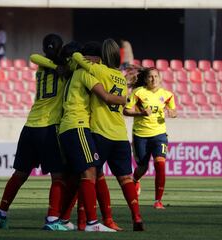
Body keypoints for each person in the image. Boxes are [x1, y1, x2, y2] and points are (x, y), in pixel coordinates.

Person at [0, 33, 69, 231]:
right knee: (58, 176)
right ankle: (52, 220)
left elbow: (34, 57)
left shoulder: (41, 68)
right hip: (48, 127)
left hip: (29, 127)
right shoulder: (64, 70)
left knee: (19, 174)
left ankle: (1, 213)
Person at [73, 38, 144, 231]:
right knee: (126, 179)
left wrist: (84, 56)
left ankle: (83, 220)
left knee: (89, 176)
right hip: (121, 135)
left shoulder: (99, 71)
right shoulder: (120, 77)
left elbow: (77, 58)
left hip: (100, 133)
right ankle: (137, 217)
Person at [58, 41, 126, 232]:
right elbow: (106, 96)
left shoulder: (71, 75)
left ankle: (61, 219)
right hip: (78, 126)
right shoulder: (84, 73)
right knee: (89, 172)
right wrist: (125, 99)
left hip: (68, 127)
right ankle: (92, 223)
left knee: (77, 175)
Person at [123, 67, 177, 210]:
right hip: (141, 135)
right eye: (150, 77)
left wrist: (172, 112)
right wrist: (140, 114)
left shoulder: (167, 95)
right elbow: (126, 110)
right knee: (142, 166)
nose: (153, 79)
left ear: (160, 78)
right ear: (145, 79)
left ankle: (158, 201)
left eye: (156, 76)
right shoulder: (138, 93)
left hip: (159, 134)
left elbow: (173, 110)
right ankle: (135, 180)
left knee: (160, 164)